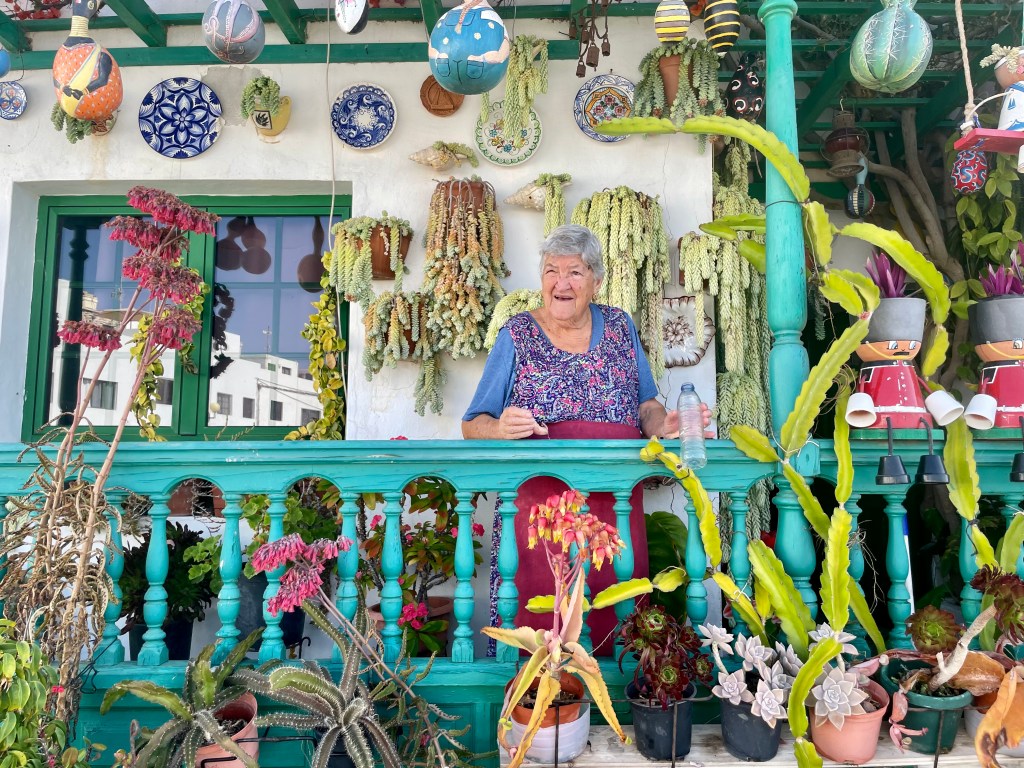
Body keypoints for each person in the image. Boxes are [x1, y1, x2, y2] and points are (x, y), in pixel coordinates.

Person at [463, 224, 709, 655]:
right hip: (539, 515)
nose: (561, 283)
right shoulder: (516, 335)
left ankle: (615, 712)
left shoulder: (618, 327)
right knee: (538, 623)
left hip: (611, 507)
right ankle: (535, 710)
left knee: (614, 613)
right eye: (551, 271)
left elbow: (645, 405)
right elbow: (472, 422)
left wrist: (663, 424)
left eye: (574, 272)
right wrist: (500, 427)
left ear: (596, 280)